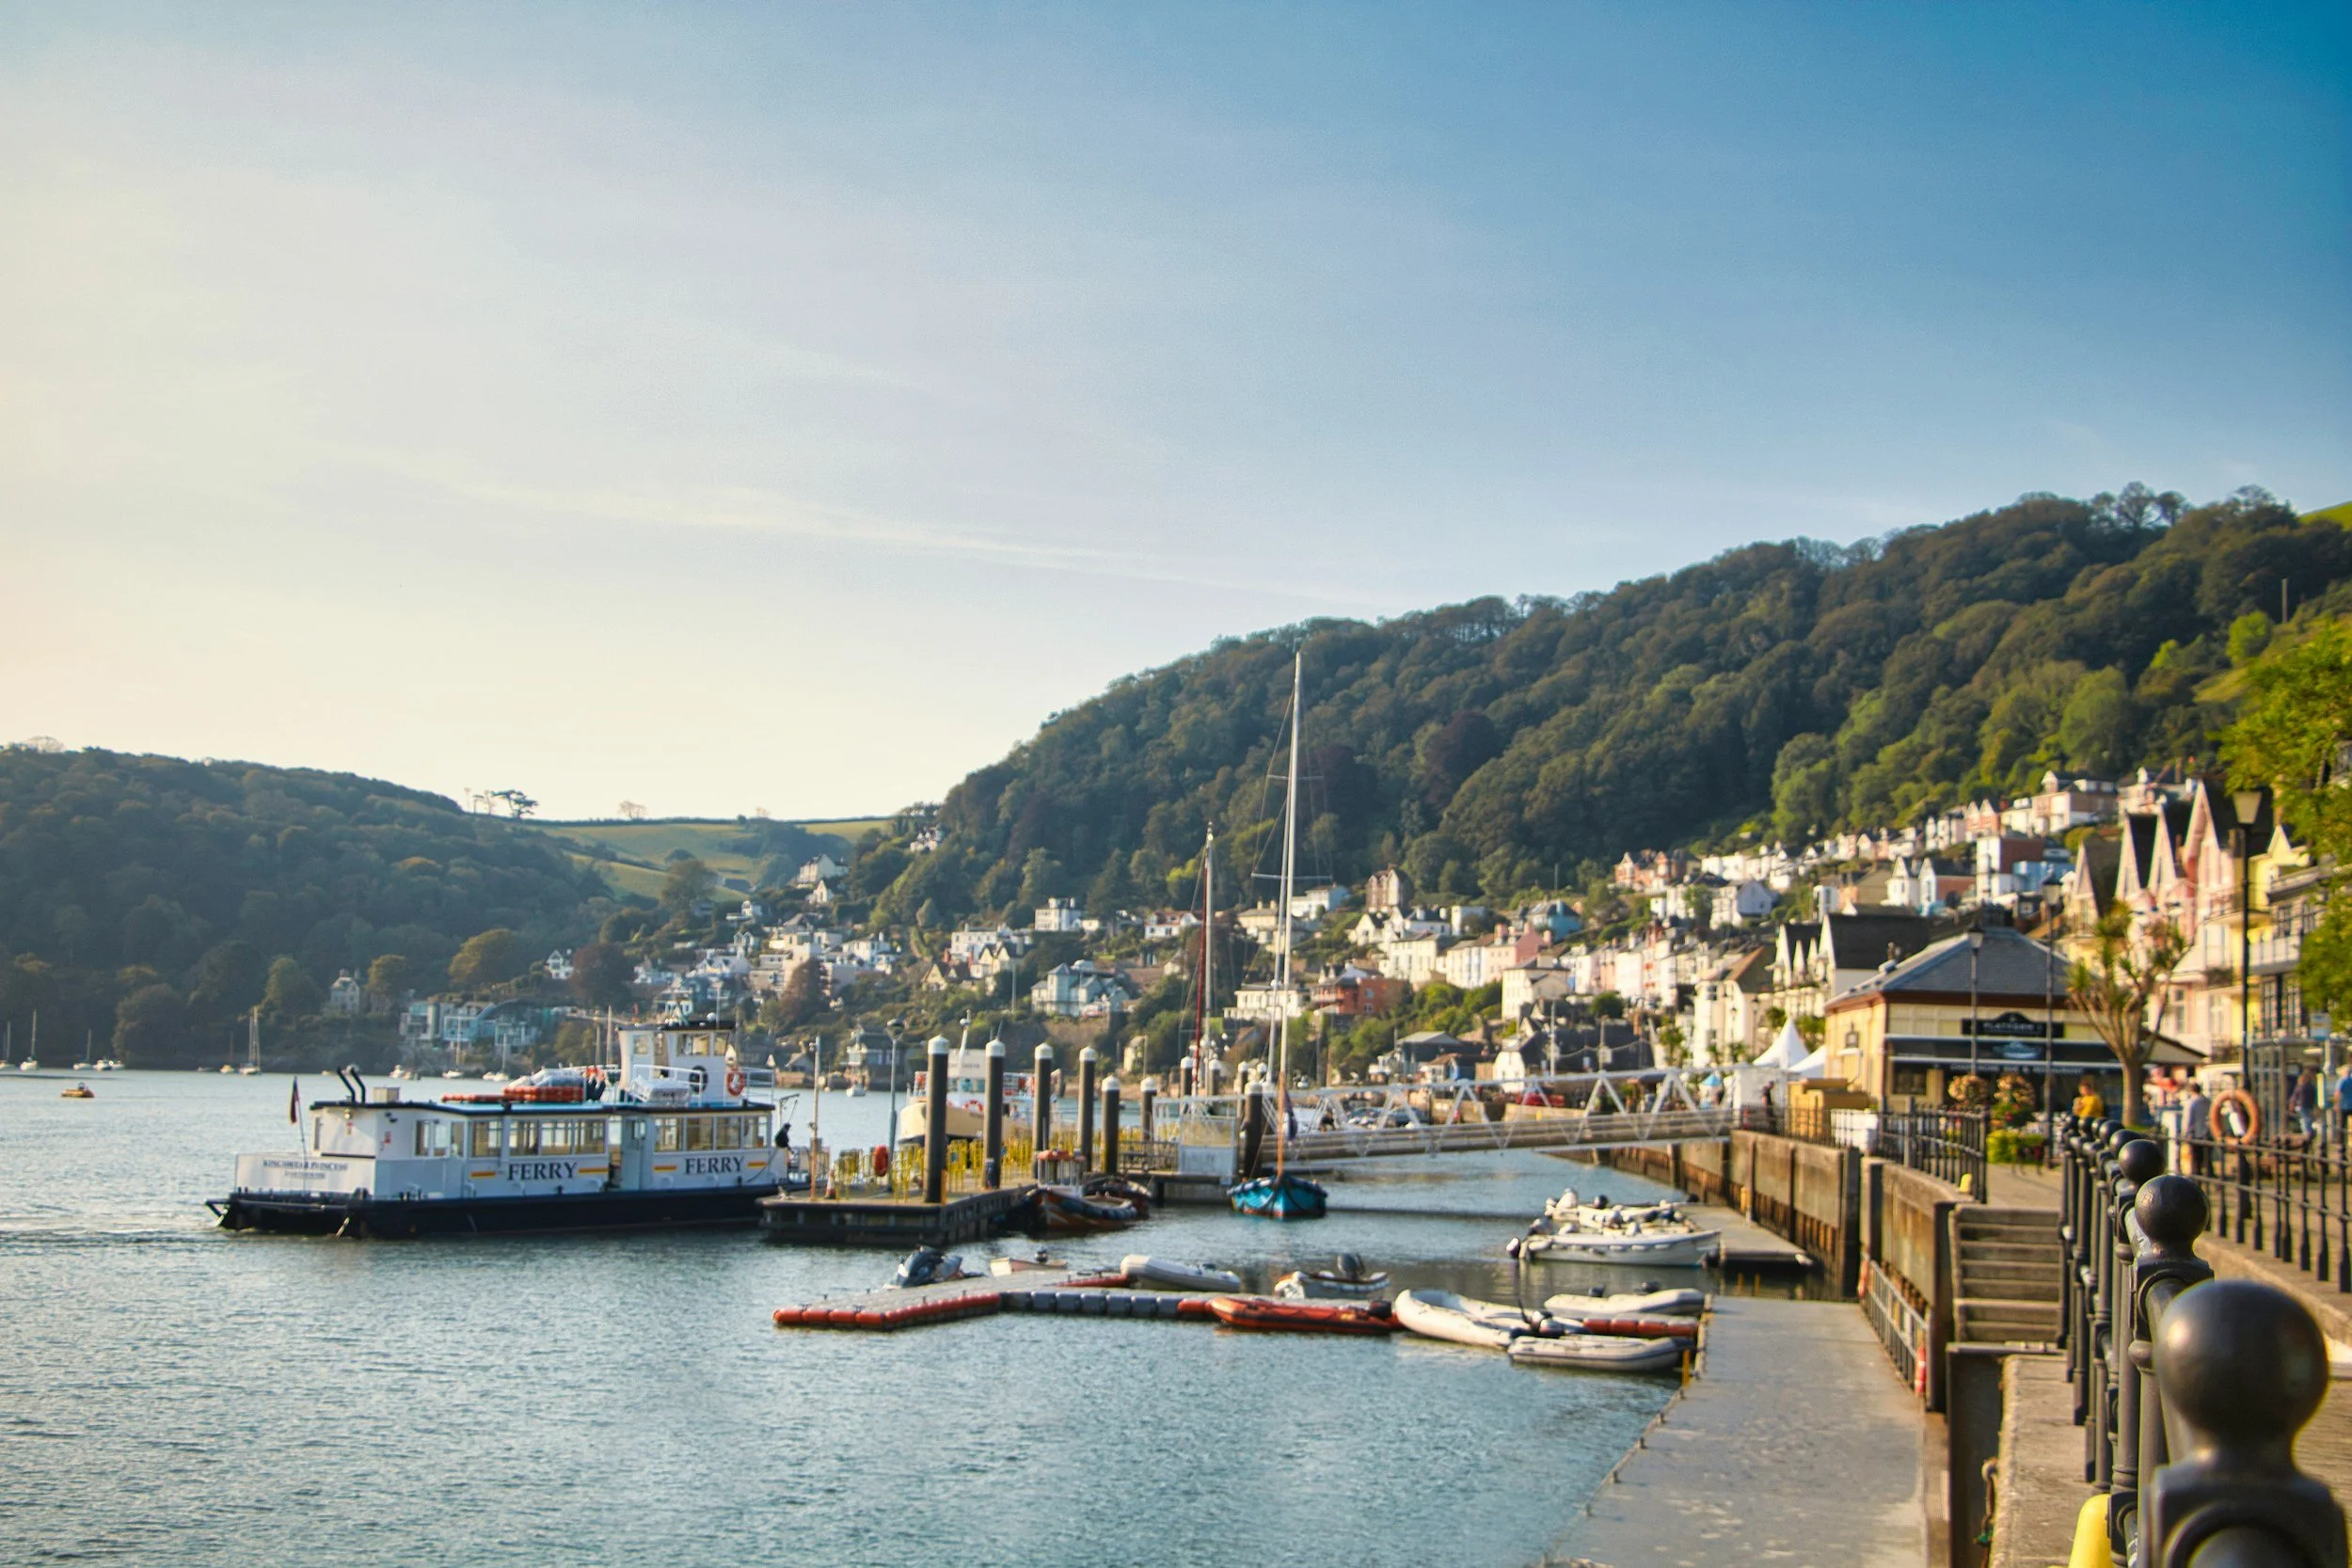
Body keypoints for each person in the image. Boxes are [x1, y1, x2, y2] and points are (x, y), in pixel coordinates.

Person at [2183, 1083, 2211, 1177]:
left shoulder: (2191, 1103)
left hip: (2195, 1134)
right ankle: (2210, 1178)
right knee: (2207, 1159)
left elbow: (2188, 1119)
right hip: (2207, 1132)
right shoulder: (2207, 1101)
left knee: (2196, 1159)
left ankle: (2197, 1179)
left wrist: (2186, 1133)